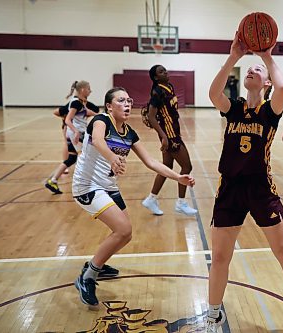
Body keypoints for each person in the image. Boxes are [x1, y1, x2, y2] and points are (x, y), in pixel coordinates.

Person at [206, 32, 283, 333]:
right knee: (219, 256)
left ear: (266, 82)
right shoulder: (233, 109)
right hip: (230, 187)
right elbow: (213, 94)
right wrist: (234, 57)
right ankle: (212, 316)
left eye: (258, 71)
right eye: (249, 70)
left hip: (260, 187)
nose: (251, 71)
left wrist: (266, 55)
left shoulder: (270, 112)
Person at [73, 87, 195, 306]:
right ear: (110, 106)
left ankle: (95, 265)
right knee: (123, 230)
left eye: (129, 100)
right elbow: (98, 141)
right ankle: (87, 277)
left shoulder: (129, 133)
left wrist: (178, 177)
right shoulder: (100, 120)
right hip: (87, 186)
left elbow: (152, 162)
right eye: (121, 100)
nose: (127, 104)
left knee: (125, 234)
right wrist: (112, 158)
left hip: (108, 186)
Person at [141, 65, 198, 216]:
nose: (165, 72)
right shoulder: (157, 92)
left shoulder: (169, 86)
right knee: (187, 166)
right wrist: (164, 137)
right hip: (170, 135)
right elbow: (151, 117)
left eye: (165, 70)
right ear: (155, 77)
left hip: (173, 131)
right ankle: (180, 203)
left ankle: (151, 198)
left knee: (166, 167)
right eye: (161, 72)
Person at [45, 80, 98, 194]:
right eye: (89, 89)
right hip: (76, 134)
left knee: (72, 158)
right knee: (88, 155)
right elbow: (68, 119)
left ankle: (53, 180)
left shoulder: (80, 102)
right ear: (83, 90)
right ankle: (86, 184)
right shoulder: (75, 103)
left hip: (73, 133)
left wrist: (100, 115)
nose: (90, 91)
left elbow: (87, 111)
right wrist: (76, 131)